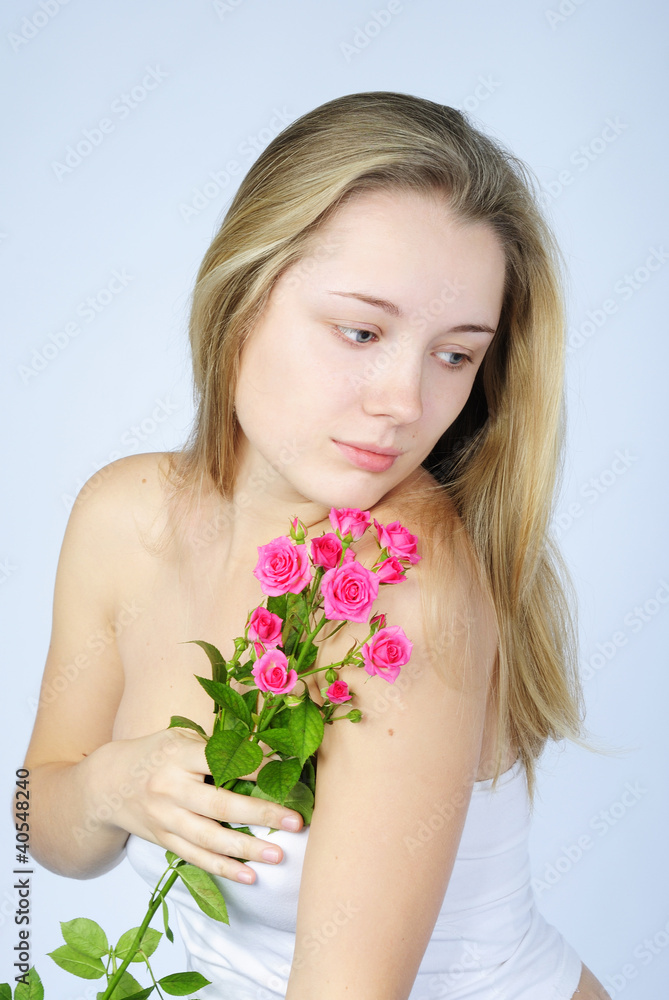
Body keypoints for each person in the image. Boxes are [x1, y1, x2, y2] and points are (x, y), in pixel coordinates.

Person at [21, 91, 614, 999]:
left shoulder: (400, 587)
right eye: (361, 332)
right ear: (243, 292)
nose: (404, 403)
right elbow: (39, 820)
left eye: (455, 354)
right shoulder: (120, 514)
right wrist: (112, 785)